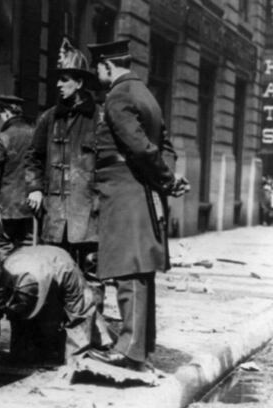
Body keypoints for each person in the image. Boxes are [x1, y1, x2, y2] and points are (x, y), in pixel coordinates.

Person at [86, 39, 189, 371]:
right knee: (141, 270)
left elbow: (141, 148)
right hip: (143, 189)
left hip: (124, 189)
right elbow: (165, 146)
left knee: (129, 269)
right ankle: (141, 345)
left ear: (107, 66)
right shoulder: (147, 95)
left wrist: (167, 180)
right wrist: (167, 178)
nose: (97, 74)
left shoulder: (118, 95)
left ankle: (130, 350)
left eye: (97, 68)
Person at [24, 38, 102, 286]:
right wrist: (34, 188)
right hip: (55, 214)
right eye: (58, 79)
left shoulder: (99, 118)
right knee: (55, 275)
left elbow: (111, 163)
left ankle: (87, 324)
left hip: (89, 214)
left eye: (64, 79)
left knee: (91, 275)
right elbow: (33, 157)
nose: (58, 85)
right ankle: (56, 325)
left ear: (79, 82)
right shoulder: (48, 118)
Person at [0, 245, 112, 362]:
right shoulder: (1, 275)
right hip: (32, 305)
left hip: (58, 296)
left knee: (72, 355)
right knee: (24, 357)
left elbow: (80, 316)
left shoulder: (65, 270)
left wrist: (74, 360)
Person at [0, 94, 36, 250]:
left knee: (4, 243)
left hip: (7, 202)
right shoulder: (35, 133)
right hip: (32, 201)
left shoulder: (2, 137)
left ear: (7, 113)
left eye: (1, 114)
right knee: (29, 244)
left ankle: (10, 274)